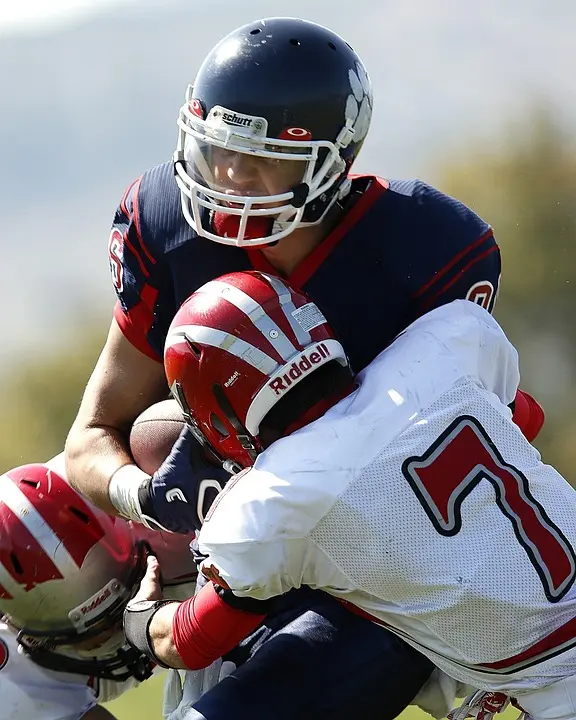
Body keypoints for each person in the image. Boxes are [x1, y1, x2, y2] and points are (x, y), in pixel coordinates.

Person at [63, 15, 539, 720]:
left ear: (330, 161)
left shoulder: (424, 251)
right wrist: (145, 494)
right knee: (28, 520)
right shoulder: (166, 225)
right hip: (233, 549)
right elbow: (89, 439)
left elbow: (503, 426)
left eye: (259, 159)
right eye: (217, 151)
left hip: (384, 575)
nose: (227, 177)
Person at [126, 271, 576, 720]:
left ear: (217, 403)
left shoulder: (276, 497)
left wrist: (143, 621)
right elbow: (524, 423)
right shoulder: (444, 342)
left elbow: (190, 640)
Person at [0, 455, 197, 720]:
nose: (118, 634)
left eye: (121, 610)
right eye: (97, 629)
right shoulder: (15, 669)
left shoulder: (177, 514)